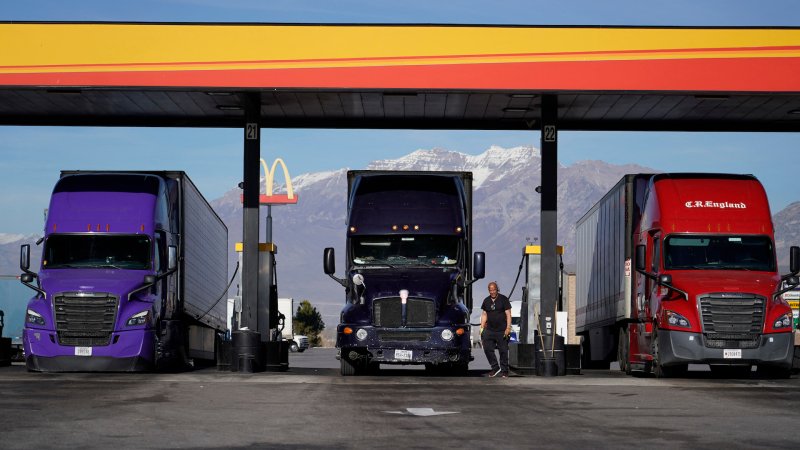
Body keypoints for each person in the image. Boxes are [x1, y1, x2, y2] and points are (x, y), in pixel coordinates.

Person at [480, 281, 512, 378]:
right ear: (488, 290)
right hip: (489, 330)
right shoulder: (486, 301)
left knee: (503, 351)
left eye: (494, 290)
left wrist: (508, 327)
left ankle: (504, 370)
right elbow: (484, 314)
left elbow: (508, 314)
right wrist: (481, 327)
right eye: (490, 290)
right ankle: (495, 368)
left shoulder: (503, 299)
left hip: (502, 330)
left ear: (497, 289)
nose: (492, 292)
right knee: (487, 349)